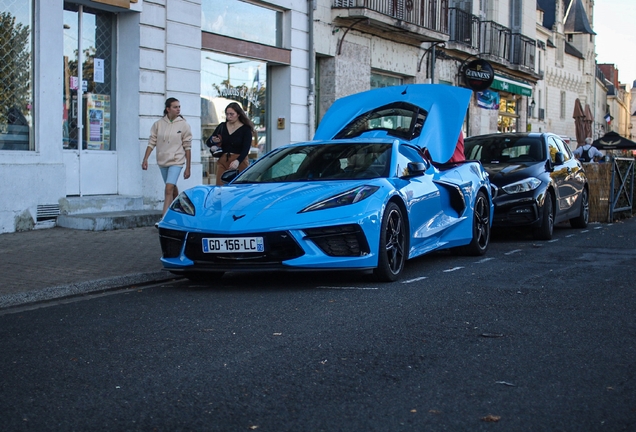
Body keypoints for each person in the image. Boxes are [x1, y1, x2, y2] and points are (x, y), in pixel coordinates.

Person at [142, 97, 192, 216]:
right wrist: (145, 159)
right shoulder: (158, 124)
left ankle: (164, 218)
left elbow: (188, 147)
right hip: (163, 160)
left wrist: (188, 167)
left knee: (168, 189)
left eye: (179, 106)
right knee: (172, 188)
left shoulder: (184, 125)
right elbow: (152, 142)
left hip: (176, 161)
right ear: (168, 109)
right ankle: (181, 210)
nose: (178, 109)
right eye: (175, 107)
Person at [206, 102, 256, 185]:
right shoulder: (222, 126)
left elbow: (246, 149)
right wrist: (214, 141)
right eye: (227, 114)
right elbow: (208, 143)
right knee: (220, 187)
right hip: (223, 159)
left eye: (231, 114)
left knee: (239, 188)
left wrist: (238, 161)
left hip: (239, 160)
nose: (229, 116)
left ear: (238, 114)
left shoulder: (245, 129)